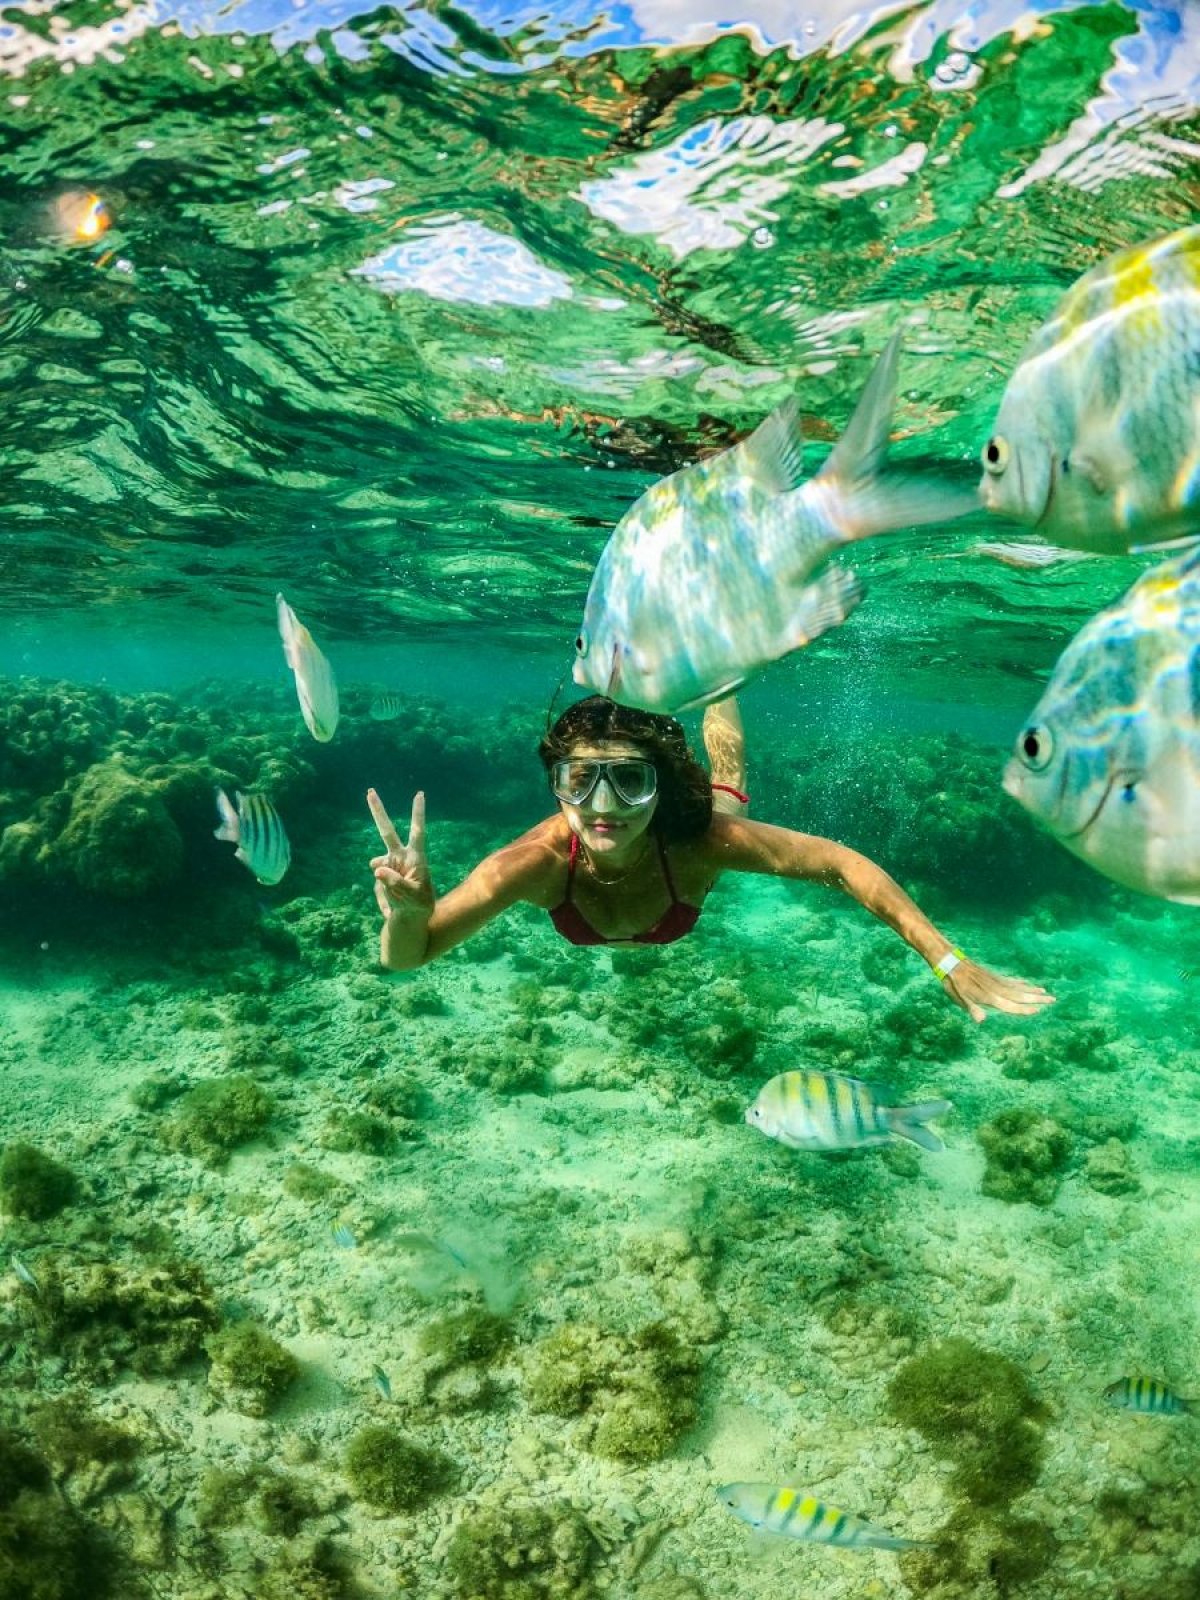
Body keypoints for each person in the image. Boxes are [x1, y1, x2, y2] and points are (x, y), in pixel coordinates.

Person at [367, 695, 1053, 1022]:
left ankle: (716, 681)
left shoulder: (698, 841)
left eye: (630, 780)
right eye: (579, 781)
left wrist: (946, 958)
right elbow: (405, 958)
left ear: (659, 787)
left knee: (727, 790)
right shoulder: (533, 863)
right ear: (557, 786)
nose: (602, 806)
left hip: (693, 834)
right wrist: (408, 913)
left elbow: (842, 864)